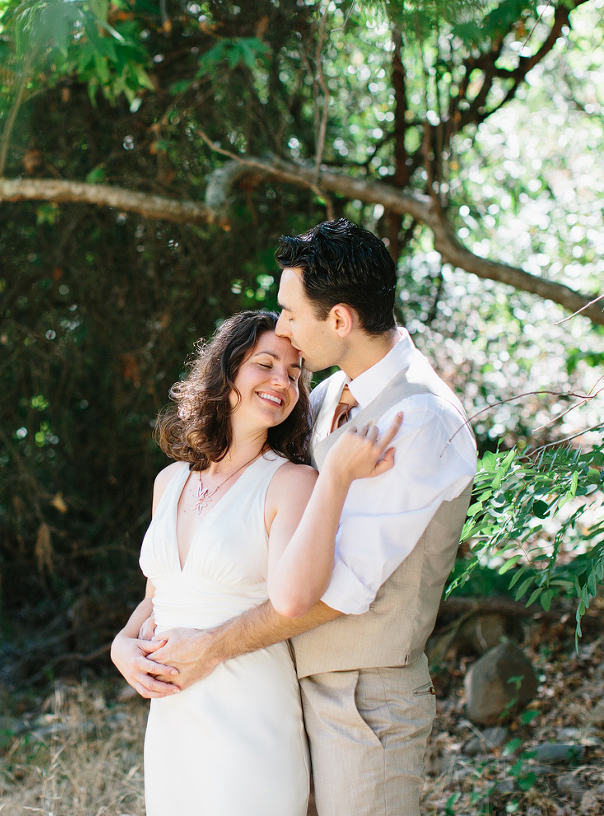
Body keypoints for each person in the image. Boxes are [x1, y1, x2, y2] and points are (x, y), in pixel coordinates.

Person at [118, 219, 478, 816]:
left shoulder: (419, 420)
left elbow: (343, 590)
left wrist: (212, 646)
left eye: (290, 313)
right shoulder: (323, 398)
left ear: (338, 320)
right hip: (281, 680)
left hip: (363, 693)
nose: (283, 328)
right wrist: (131, 641)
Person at [111, 309, 401, 816]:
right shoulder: (169, 481)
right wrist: (121, 646)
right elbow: (158, 597)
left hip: (248, 710)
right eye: (265, 364)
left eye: (293, 374)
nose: (281, 382)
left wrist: (334, 479)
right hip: (173, 718)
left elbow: (295, 600)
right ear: (225, 371)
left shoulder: (291, 483)